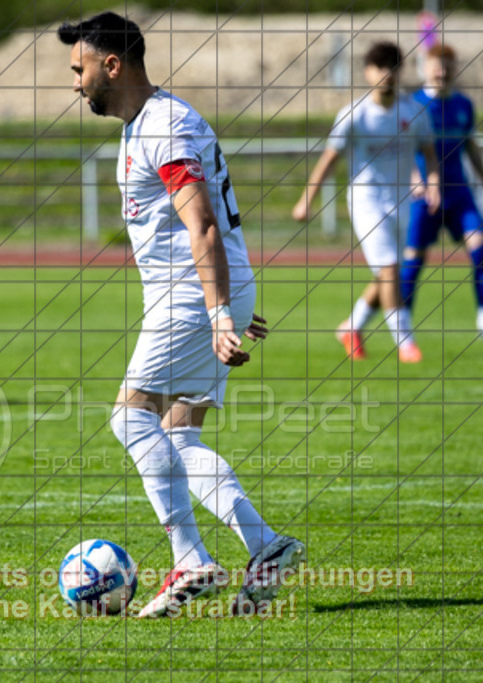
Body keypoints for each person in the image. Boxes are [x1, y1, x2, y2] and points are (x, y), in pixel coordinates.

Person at [58, 12, 305, 618]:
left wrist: (219, 313)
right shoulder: (147, 123)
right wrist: (233, 297)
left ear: (111, 64)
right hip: (203, 292)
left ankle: (191, 558)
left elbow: (202, 223)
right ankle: (266, 547)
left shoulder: (164, 127)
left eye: (79, 68)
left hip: (190, 297)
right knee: (178, 435)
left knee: (129, 420)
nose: (75, 83)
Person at [293, 41, 440, 363]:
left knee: (386, 272)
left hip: (401, 202)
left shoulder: (414, 112)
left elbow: (429, 153)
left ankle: (351, 327)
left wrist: (434, 184)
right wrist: (307, 200)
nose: (386, 74)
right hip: (365, 201)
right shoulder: (354, 115)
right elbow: (328, 160)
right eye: (380, 67)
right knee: (389, 269)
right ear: (367, 72)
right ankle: (406, 344)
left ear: (400, 71)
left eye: (392, 67)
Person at [401, 44, 483, 342]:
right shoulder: (412, 104)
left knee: (481, 251)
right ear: (424, 67)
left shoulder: (463, 105)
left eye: (447, 65)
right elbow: (402, 147)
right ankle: (403, 323)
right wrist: (413, 178)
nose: (442, 71)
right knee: (413, 260)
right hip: (424, 198)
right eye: (436, 65)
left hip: (459, 195)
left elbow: (471, 147)